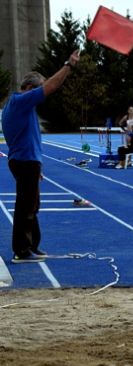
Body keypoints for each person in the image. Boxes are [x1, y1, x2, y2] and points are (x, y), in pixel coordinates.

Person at [1, 50, 80, 263]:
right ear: (28, 88)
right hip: (25, 160)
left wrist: (38, 165)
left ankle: (32, 245)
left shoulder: (19, 107)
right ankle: (21, 250)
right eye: (37, 89)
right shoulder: (20, 102)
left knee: (32, 205)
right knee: (25, 206)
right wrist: (69, 65)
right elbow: (51, 86)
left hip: (28, 160)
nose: (40, 96)